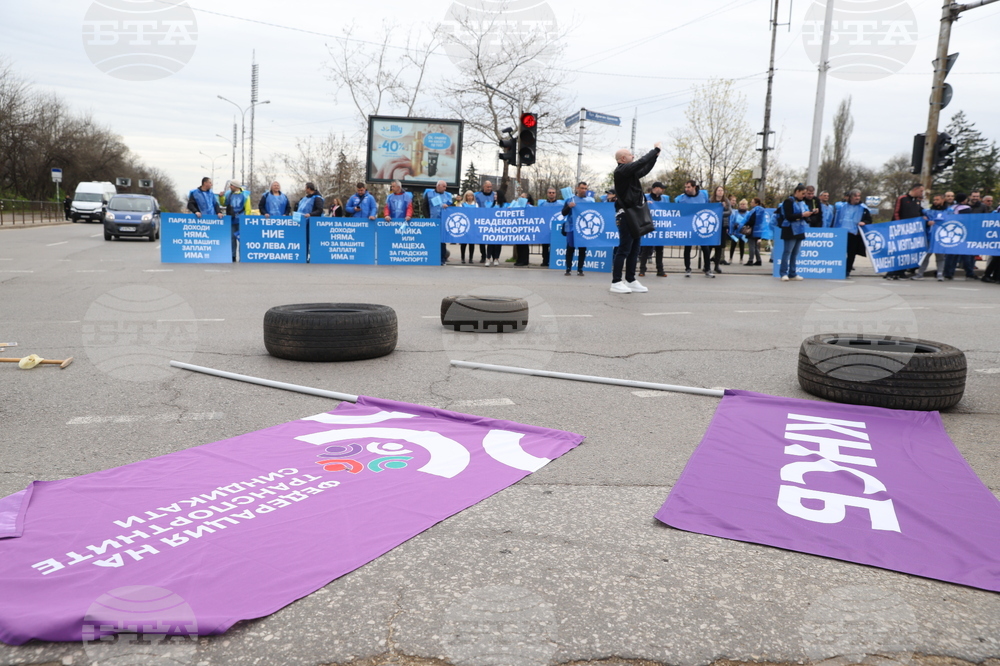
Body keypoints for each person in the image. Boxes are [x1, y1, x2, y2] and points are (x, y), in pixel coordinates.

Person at [610, 143, 661, 293]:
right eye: (631, 155)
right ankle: (616, 281)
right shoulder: (621, 170)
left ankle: (630, 279)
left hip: (635, 214)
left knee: (634, 249)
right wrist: (655, 150)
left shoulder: (629, 173)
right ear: (623, 158)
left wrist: (655, 158)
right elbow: (640, 163)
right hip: (625, 215)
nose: (634, 156)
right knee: (624, 248)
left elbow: (644, 169)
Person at [886, 183, 926, 280]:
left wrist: (924, 217)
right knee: (897, 251)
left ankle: (902, 271)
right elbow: (896, 212)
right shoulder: (902, 198)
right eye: (921, 191)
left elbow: (920, 212)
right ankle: (891, 272)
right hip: (901, 229)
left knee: (907, 252)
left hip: (912, 231)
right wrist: (899, 225)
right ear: (915, 189)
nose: (922, 193)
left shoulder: (917, 201)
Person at [675, 180, 713, 277]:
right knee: (687, 248)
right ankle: (687, 269)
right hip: (688, 226)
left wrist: (720, 206)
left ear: (694, 187)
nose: (686, 189)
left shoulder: (703, 195)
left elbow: (709, 207)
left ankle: (707, 269)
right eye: (685, 187)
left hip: (701, 226)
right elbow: (676, 210)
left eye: (688, 187)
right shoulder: (682, 198)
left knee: (705, 248)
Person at [777, 184, 814, 281]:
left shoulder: (802, 203)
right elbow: (788, 216)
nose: (804, 196)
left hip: (799, 229)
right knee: (787, 251)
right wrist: (802, 214)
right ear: (796, 191)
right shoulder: (788, 201)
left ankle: (792, 273)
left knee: (795, 253)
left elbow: (805, 216)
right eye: (803, 193)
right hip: (790, 229)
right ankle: (783, 273)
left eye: (805, 194)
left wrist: (810, 214)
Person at [833, 189, 871, 277]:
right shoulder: (842, 207)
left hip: (854, 234)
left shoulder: (863, 208)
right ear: (850, 197)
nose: (857, 198)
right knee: (840, 252)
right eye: (855, 196)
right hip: (842, 233)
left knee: (851, 253)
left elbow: (869, 220)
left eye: (859, 196)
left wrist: (864, 222)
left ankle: (847, 270)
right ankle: (838, 269)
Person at [913, 193, 948, 280]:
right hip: (929, 237)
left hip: (941, 238)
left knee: (940, 257)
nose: (935, 201)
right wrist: (926, 222)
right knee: (925, 256)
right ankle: (920, 273)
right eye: (934, 200)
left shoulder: (949, 211)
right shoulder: (928, 211)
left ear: (943, 200)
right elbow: (920, 218)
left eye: (937, 200)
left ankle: (940, 274)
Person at [942, 193, 977, 280]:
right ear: (964, 200)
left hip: (952, 232)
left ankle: (948, 273)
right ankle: (969, 273)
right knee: (966, 255)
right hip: (962, 233)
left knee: (951, 255)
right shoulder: (966, 208)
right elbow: (968, 221)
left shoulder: (952, 208)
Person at [561, 181, 593, 276]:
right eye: (582, 188)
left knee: (582, 249)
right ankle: (568, 269)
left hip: (584, 228)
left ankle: (580, 269)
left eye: (585, 188)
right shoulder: (570, 200)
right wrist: (569, 207)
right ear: (577, 189)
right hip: (571, 228)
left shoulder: (590, 201)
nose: (584, 190)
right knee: (570, 248)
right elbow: (563, 213)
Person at [638, 181, 668, 278]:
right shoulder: (646, 197)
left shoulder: (664, 199)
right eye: (661, 188)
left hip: (660, 227)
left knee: (660, 249)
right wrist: (646, 203)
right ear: (655, 188)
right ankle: (642, 269)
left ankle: (660, 269)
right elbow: (639, 206)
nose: (662, 190)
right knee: (646, 249)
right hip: (648, 226)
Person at [423, 179, 452, 265]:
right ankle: (431, 258)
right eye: (444, 186)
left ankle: (442, 259)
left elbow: (453, 207)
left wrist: (449, 206)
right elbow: (425, 207)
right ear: (438, 186)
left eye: (445, 187)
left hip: (444, 221)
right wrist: (428, 218)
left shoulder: (448, 195)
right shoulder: (429, 194)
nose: (445, 188)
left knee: (442, 241)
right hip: (433, 221)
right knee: (432, 240)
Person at [223, 180, 251, 260]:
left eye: (231, 185)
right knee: (232, 238)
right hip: (232, 219)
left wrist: (246, 219)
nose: (230, 187)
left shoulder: (245, 195)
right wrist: (221, 197)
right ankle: (233, 255)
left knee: (241, 238)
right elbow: (224, 203)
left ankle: (242, 255)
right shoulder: (228, 194)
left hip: (241, 220)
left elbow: (248, 208)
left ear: (235, 186)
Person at [536, 187, 563, 267]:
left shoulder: (560, 205)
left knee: (555, 245)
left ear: (555, 194)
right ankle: (545, 261)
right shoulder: (543, 205)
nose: (551, 194)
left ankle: (553, 260)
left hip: (556, 229)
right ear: (547, 194)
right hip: (545, 229)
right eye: (550, 192)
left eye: (553, 192)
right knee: (545, 246)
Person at [475, 181, 497, 264]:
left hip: (493, 220)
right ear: (484, 187)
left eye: (490, 187)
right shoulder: (477, 195)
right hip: (482, 219)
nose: (489, 188)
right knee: (482, 240)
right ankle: (483, 256)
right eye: (487, 187)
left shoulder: (494, 195)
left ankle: (492, 256)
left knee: (492, 239)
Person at [710, 185, 731, 270]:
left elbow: (729, 212)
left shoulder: (726, 201)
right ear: (715, 192)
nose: (720, 192)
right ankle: (706, 265)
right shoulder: (711, 201)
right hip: (712, 225)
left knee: (719, 246)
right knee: (709, 246)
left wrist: (722, 210)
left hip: (722, 225)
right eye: (718, 190)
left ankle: (716, 265)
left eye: (722, 190)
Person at [744, 197, 767, 266]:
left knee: (751, 246)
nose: (751, 203)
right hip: (758, 230)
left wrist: (746, 224)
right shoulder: (762, 210)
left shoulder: (754, 211)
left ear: (756, 203)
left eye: (752, 202)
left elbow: (751, 220)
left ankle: (750, 260)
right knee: (756, 246)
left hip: (753, 230)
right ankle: (758, 260)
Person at [457, 190, 478, 264]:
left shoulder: (475, 204)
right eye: (468, 196)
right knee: (464, 243)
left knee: (471, 243)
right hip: (464, 225)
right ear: (466, 196)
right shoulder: (462, 204)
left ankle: (471, 258)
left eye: (471, 195)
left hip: (472, 225)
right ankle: (462, 257)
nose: (470, 197)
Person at [728, 199, 749, 264]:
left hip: (743, 231)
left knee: (742, 245)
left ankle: (741, 258)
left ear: (746, 205)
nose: (742, 206)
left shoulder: (748, 213)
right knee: (733, 245)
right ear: (739, 205)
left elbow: (749, 221)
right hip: (735, 231)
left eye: (744, 204)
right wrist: (733, 227)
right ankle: (730, 258)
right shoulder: (735, 212)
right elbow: (732, 221)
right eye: (741, 204)